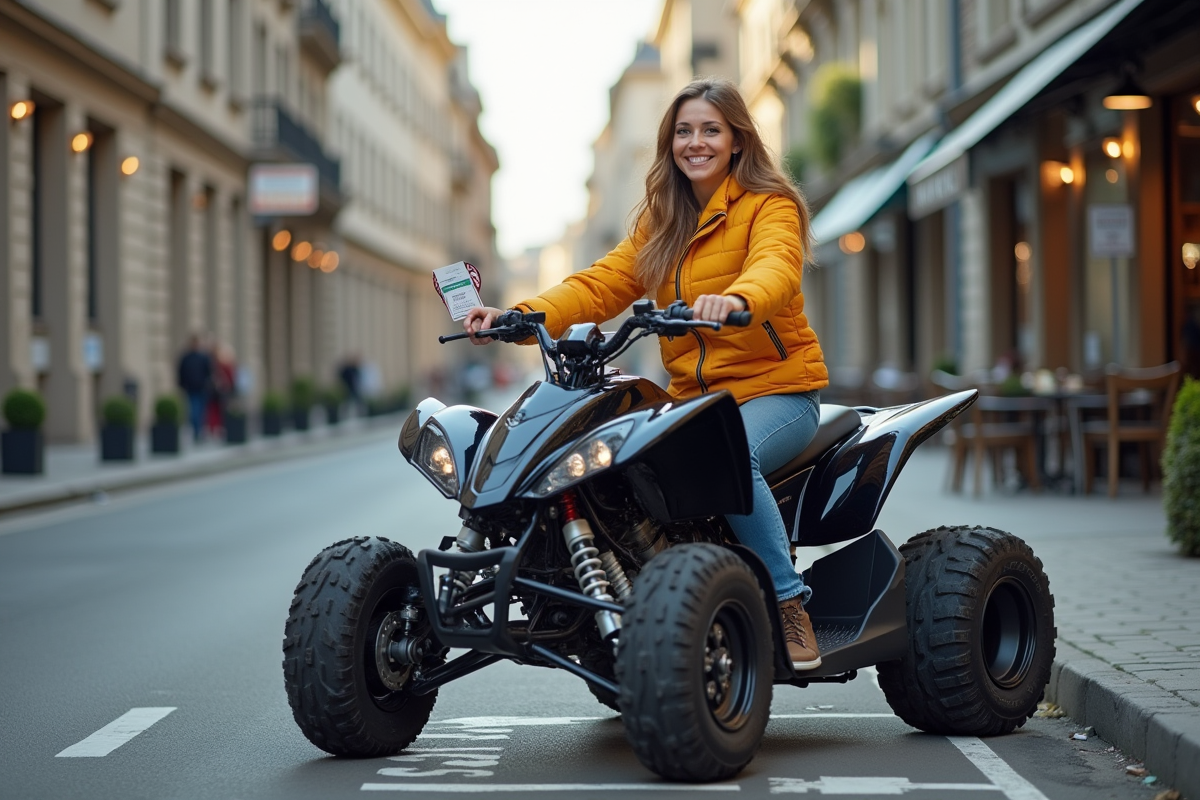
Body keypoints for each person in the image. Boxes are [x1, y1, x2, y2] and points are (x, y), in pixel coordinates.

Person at [464, 78, 829, 670]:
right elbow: (599, 283)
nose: (696, 142)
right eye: (684, 131)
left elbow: (776, 267)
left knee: (727, 457)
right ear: (670, 143)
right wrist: (520, 314)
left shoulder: (770, 205)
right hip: (692, 400)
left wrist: (736, 299)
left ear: (737, 139)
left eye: (711, 129)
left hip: (778, 389)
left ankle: (789, 603)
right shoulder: (663, 221)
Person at [177, 333, 213, 443]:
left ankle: (199, 430)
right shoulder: (186, 357)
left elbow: (209, 372)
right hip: (191, 388)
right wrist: (182, 384)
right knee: (194, 411)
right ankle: (197, 431)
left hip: (202, 388)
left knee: (201, 410)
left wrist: (208, 384)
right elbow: (181, 372)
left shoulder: (204, 357)